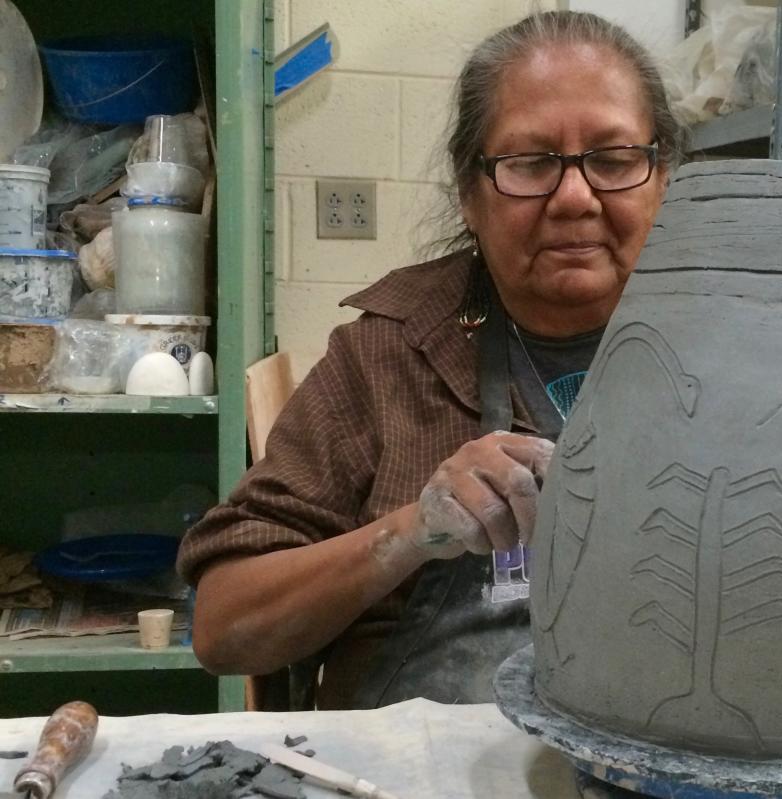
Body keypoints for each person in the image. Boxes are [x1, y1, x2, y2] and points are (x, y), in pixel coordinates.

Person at [177, 10, 687, 710]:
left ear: (662, 177)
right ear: (470, 194)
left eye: (613, 158)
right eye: (530, 163)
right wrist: (411, 533)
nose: (574, 197)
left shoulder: (722, 350)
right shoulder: (388, 355)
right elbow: (224, 627)